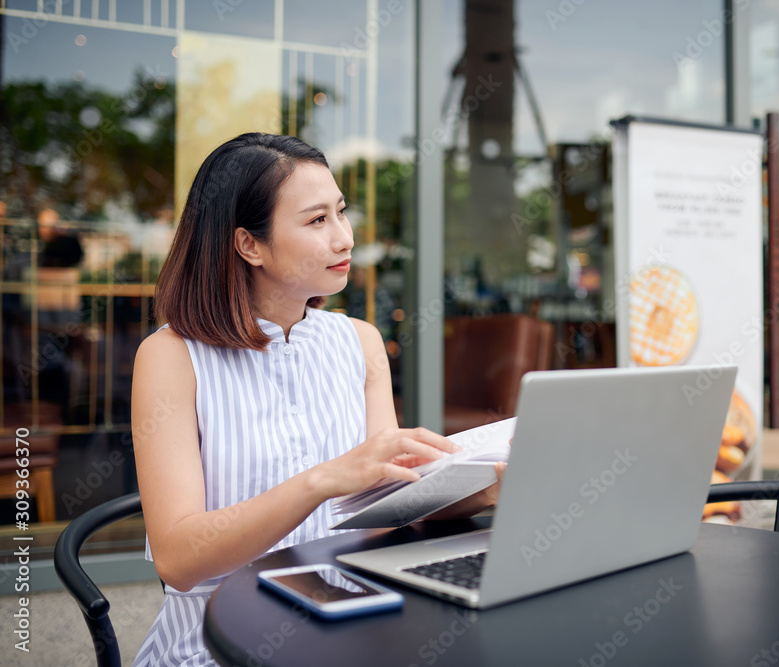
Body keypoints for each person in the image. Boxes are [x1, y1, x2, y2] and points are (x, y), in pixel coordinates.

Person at [132, 133, 503, 666]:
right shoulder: (170, 357)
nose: (345, 239)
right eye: (316, 221)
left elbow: (382, 512)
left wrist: (487, 487)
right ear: (249, 245)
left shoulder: (360, 341)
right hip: (217, 643)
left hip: (349, 620)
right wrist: (322, 480)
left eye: (341, 213)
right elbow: (178, 560)